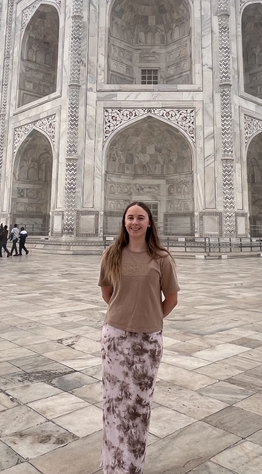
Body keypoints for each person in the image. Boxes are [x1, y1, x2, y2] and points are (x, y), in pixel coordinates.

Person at [98, 201, 179, 474]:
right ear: (124, 222)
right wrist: (124, 315)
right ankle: (112, 465)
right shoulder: (111, 255)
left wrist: (150, 318)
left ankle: (132, 466)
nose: (135, 222)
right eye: (130, 217)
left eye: (140, 217)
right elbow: (108, 294)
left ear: (149, 223)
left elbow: (172, 298)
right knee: (113, 402)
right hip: (115, 337)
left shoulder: (162, 258)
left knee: (139, 405)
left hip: (148, 341)